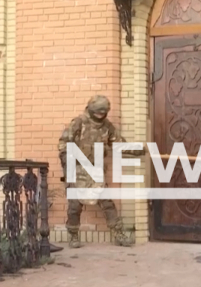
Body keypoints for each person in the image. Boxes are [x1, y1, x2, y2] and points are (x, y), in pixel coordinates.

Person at [58, 95, 140, 248]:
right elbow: (63, 144)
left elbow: (118, 143)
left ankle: (119, 234)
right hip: (76, 170)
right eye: (97, 113)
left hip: (96, 172)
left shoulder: (107, 126)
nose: (100, 116)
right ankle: (73, 235)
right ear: (90, 109)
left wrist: (137, 150)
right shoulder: (78, 123)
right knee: (75, 206)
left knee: (107, 203)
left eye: (103, 113)